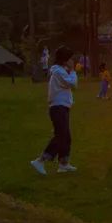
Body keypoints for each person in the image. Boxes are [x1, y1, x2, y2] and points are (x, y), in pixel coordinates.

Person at [31, 46, 78, 174]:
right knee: (61, 136)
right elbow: (73, 84)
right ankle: (40, 160)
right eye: (70, 58)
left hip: (62, 107)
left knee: (66, 137)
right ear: (65, 60)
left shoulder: (61, 71)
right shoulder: (59, 72)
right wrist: (73, 70)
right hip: (58, 107)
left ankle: (63, 163)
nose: (72, 61)